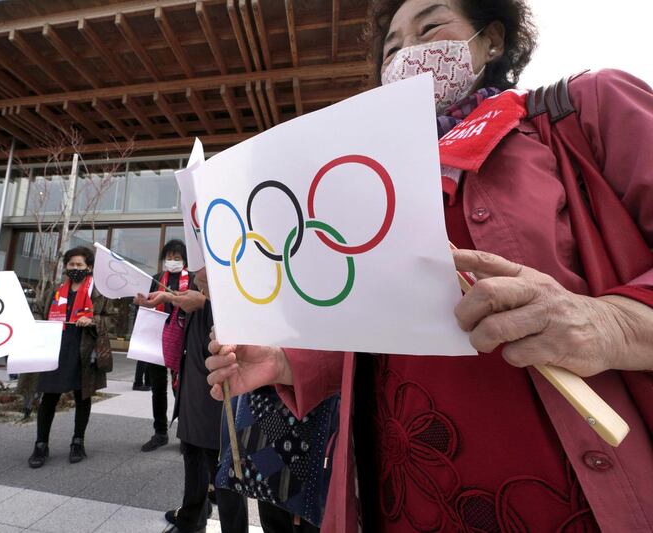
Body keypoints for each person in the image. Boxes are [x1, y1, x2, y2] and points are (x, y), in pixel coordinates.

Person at [205, 1, 653, 531]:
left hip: (567, 485)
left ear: (491, 40)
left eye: (432, 26)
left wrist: (614, 323)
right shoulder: (372, 178)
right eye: (391, 47)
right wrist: (287, 361)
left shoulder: (586, 108)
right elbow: (379, 325)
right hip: (403, 491)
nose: (409, 52)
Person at [139, 269, 248, 533]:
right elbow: (185, 302)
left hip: (217, 395)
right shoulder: (198, 294)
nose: (200, 287)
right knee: (192, 453)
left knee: (223, 469)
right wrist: (168, 296)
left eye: (205, 283)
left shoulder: (234, 291)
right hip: (191, 388)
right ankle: (192, 515)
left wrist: (204, 304)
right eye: (199, 284)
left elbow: (239, 327)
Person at [27, 246, 118, 468]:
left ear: (89, 267)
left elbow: (113, 319)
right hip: (56, 349)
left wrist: (93, 320)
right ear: (65, 266)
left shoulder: (98, 292)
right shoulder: (55, 291)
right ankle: (41, 445)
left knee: (82, 397)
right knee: (48, 397)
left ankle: (78, 442)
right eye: (71, 264)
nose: (75, 268)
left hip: (83, 350)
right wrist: (41, 323)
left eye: (80, 265)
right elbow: (38, 311)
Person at [134, 239, 192, 452]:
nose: (173, 261)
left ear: (184, 260)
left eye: (177, 258)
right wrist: (140, 301)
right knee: (157, 388)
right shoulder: (157, 279)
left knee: (182, 389)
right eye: (169, 257)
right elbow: (147, 304)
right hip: (156, 338)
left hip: (181, 340)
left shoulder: (192, 279)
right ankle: (160, 432)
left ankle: (186, 435)